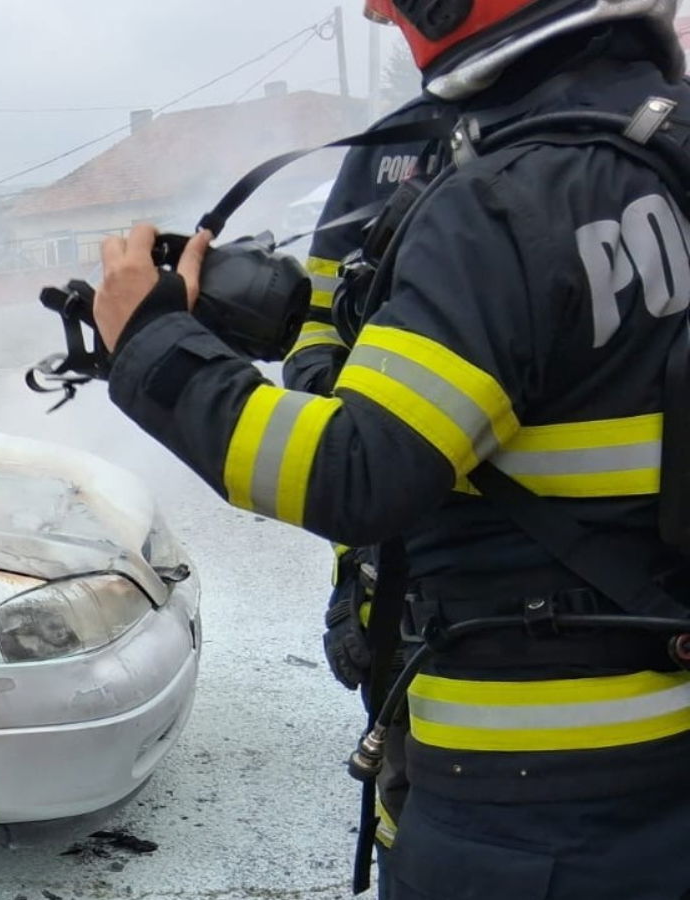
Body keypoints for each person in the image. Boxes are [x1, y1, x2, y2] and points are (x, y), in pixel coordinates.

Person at [91, 1, 690, 897]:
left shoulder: (503, 198)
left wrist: (150, 348)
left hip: (528, 801)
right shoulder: (653, 149)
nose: (375, 8)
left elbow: (360, 469)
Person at [284, 76, 455, 889]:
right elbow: (321, 312)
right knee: (407, 791)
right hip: (395, 573)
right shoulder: (389, 148)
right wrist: (323, 368)